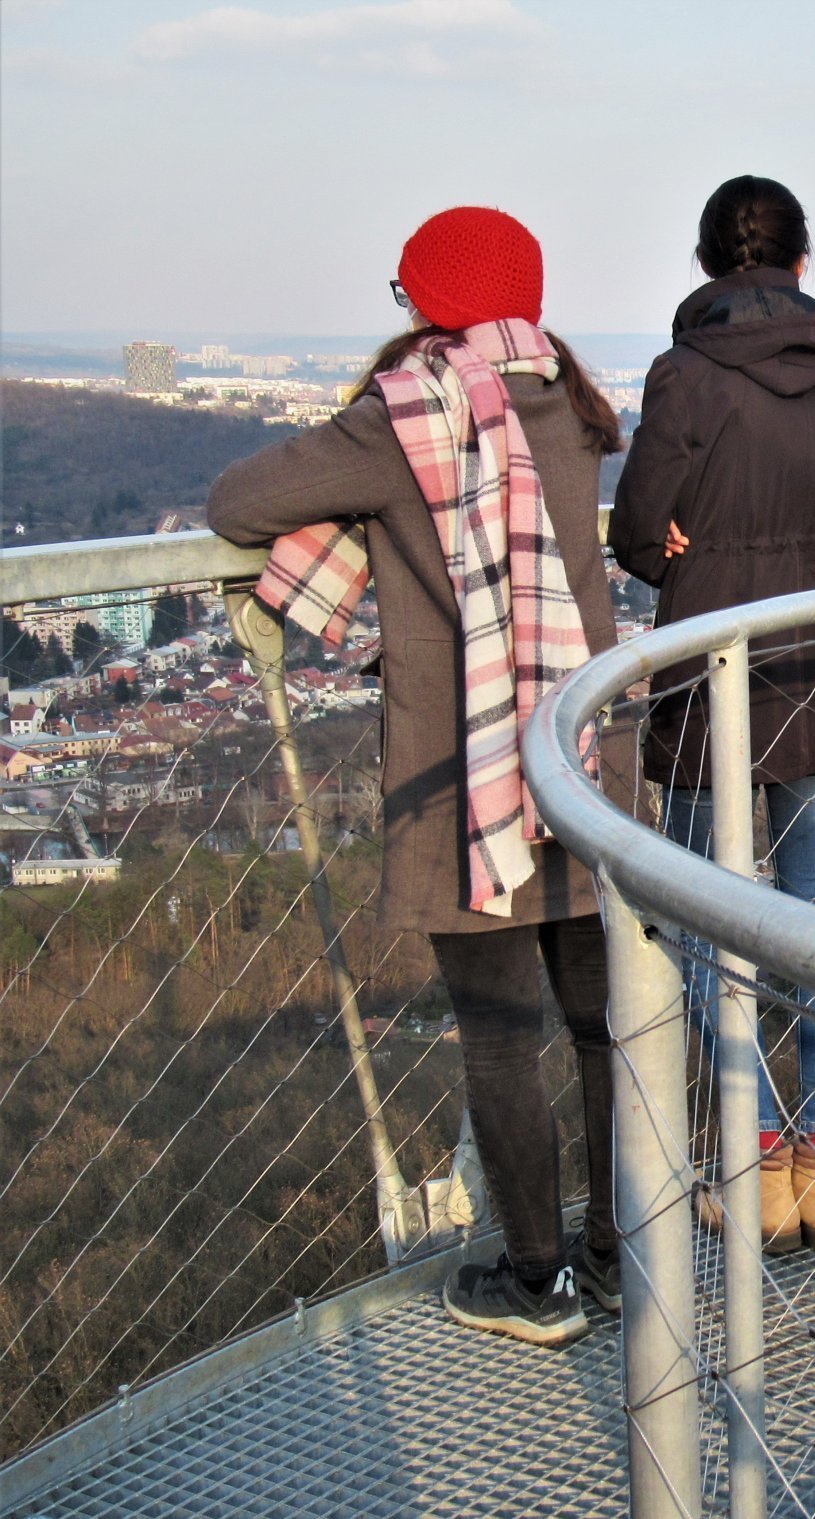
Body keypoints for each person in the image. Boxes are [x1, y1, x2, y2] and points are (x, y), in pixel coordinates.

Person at [208, 207, 631, 1344]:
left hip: (468, 769)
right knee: (604, 1025)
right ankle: (617, 1259)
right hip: (586, 754)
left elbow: (237, 505)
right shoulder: (578, 402)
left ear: (427, 302)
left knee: (500, 1030)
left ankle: (532, 1278)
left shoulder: (405, 420)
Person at [608, 175, 815, 1256]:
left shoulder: (685, 377)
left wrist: (673, 538)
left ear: (709, 267)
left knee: (705, 922)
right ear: (802, 263)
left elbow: (636, 531)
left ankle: (745, 1156)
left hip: (710, 669)